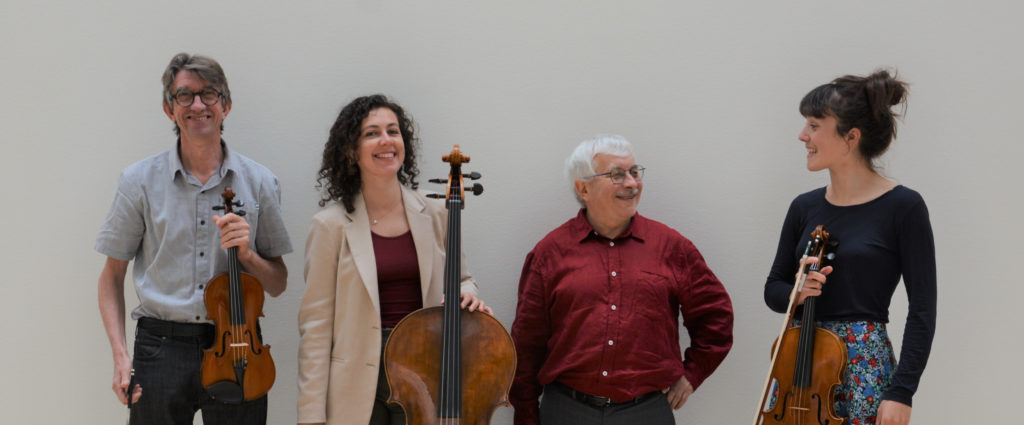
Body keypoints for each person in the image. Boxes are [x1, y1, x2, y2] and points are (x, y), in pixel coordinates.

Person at [95, 53, 292, 425]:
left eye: (209, 95)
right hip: (160, 348)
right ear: (170, 109)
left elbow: (278, 283)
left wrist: (248, 254)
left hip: (239, 346)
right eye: (184, 95)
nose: (198, 105)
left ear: (226, 105)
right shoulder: (138, 181)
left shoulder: (260, 182)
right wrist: (121, 357)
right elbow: (110, 276)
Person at [510, 135, 734, 425]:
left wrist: (692, 375)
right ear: (584, 188)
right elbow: (526, 345)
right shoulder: (549, 253)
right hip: (566, 411)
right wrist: (526, 416)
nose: (631, 183)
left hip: (646, 412)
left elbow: (716, 318)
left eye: (635, 172)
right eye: (617, 175)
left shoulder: (672, 248)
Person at [297, 94, 491, 425]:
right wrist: (310, 415)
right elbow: (315, 326)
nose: (386, 140)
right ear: (350, 150)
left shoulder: (436, 211)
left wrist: (468, 292)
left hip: (423, 370)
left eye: (393, 131)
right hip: (355, 383)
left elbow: (462, 278)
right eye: (372, 133)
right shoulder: (329, 225)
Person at [764, 70, 936, 425]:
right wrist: (796, 294)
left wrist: (902, 392)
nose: (802, 135)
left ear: (850, 137)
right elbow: (773, 288)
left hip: (864, 369)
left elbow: (923, 309)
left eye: (813, 125)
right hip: (802, 367)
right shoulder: (803, 207)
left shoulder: (903, 207)